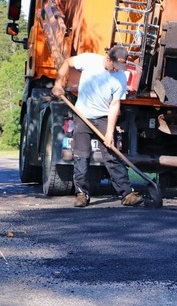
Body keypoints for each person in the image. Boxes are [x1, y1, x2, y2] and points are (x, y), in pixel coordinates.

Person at [52, 46, 144, 208]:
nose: (117, 69)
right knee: (81, 156)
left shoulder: (121, 77)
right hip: (82, 115)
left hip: (103, 118)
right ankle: (82, 194)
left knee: (111, 155)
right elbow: (67, 62)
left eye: (120, 66)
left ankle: (127, 193)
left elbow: (115, 105)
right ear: (108, 58)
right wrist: (58, 83)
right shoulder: (89, 60)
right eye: (115, 65)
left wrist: (109, 133)